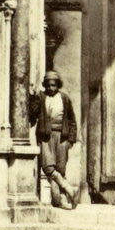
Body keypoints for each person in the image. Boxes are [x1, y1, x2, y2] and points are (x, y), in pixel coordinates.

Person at [28, 71, 79, 209]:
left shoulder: (65, 98)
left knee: (60, 169)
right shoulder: (41, 97)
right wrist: (33, 97)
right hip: (46, 136)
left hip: (62, 137)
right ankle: (68, 188)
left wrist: (71, 140)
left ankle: (58, 201)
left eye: (54, 85)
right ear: (45, 85)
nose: (51, 88)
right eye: (48, 85)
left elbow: (72, 120)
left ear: (58, 85)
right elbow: (33, 113)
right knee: (48, 167)